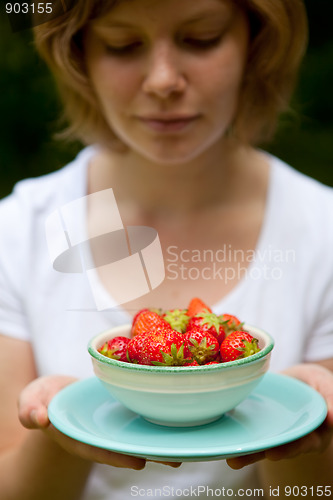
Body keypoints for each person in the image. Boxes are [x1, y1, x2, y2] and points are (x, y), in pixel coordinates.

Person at [0, 0, 333, 498]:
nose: (163, 81)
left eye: (201, 38)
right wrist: (56, 429)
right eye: (122, 45)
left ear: (256, 42)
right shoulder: (19, 232)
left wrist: (302, 427)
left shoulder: (322, 232)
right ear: (80, 55)